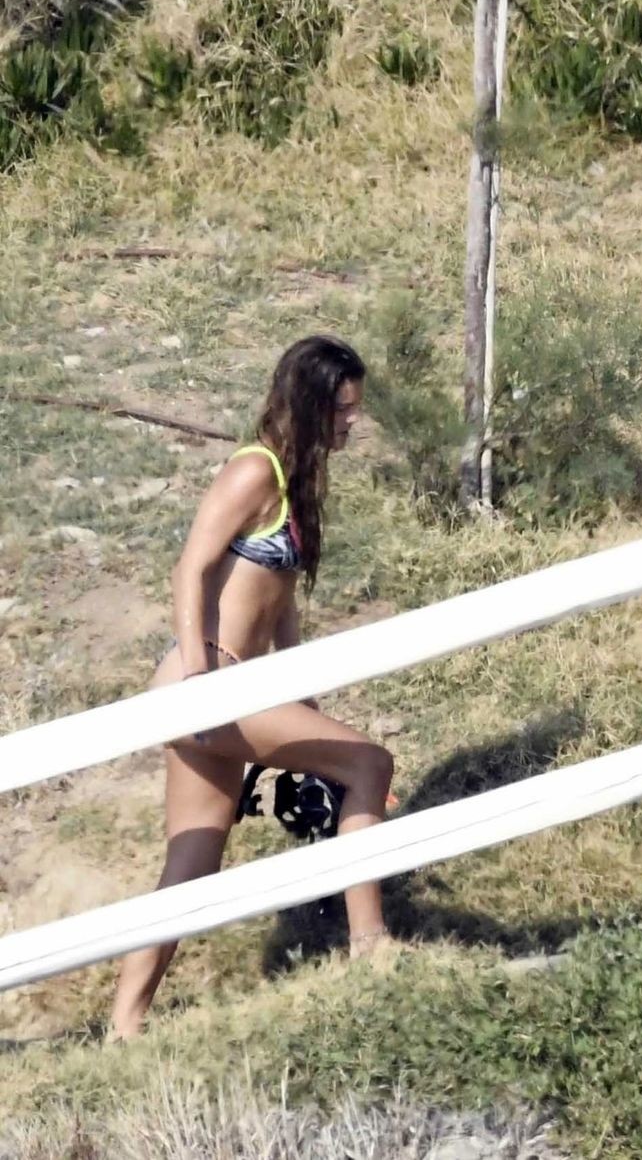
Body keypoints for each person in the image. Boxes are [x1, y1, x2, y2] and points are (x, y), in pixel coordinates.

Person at [110, 335, 395, 1039]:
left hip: (232, 683)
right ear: (310, 403)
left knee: (194, 858)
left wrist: (305, 703)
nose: (352, 421)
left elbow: (280, 606)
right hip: (208, 679)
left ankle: (124, 1027)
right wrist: (202, 679)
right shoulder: (252, 470)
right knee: (369, 764)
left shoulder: (294, 480)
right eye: (343, 409)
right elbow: (189, 569)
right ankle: (372, 950)